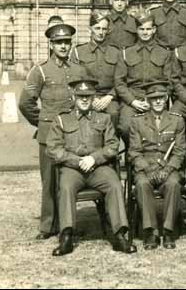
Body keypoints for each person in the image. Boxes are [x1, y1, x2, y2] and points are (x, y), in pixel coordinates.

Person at [46, 76, 136, 256]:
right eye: (80, 96)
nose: (84, 99)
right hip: (73, 169)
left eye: (88, 96)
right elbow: (53, 148)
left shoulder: (104, 118)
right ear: (74, 97)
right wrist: (76, 161)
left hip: (98, 168)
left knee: (114, 184)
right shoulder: (62, 119)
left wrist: (94, 158)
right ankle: (66, 236)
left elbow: (112, 145)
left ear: (94, 96)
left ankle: (119, 234)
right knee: (65, 187)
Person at [19, 23, 87, 240]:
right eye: (59, 42)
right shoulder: (40, 71)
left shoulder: (79, 69)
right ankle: (48, 226)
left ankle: (68, 224)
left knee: (69, 179)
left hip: (73, 133)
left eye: (67, 42)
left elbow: (86, 99)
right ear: (51, 44)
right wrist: (43, 124)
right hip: (49, 135)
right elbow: (25, 103)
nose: (64, 46)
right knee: (49, 181)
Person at [128, 80, 186, 250]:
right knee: (141, 184)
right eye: (154, 99)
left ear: (167, 97)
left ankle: (168, 230)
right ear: (148, 100)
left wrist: (168, 169)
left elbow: (180, 151)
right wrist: (147, 169)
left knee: (173, 184)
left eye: (161, 97)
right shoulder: (137, 121)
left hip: (169, 168)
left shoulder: (177, 120)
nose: (158, 101)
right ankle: (151, 231)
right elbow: (134, 152)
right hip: (146, 167)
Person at [114, 10, 177, 143]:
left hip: (157, 99)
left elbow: (170, 81)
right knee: (125, 127)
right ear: (136, 30)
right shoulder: (126, 53)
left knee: (161, 129)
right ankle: (133, 155)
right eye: (141, 29)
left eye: (148, 29)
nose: (145, 32)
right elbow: (119, 83)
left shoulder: (164, 52)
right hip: (132, 100)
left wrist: (157, 99)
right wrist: (133, 101)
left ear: (154, 30)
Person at [70, 11, 121, 129]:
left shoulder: (116, 52)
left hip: (110, 97)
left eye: (104, 29)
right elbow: (75, 79)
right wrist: (91, 98)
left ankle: (111, 145)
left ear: (108, 30)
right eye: (97, 28)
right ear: (89, 30)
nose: (100, 32)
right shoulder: (78, 52)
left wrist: (110, 96)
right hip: (86, 95)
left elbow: (121, 79)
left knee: (114, 114)